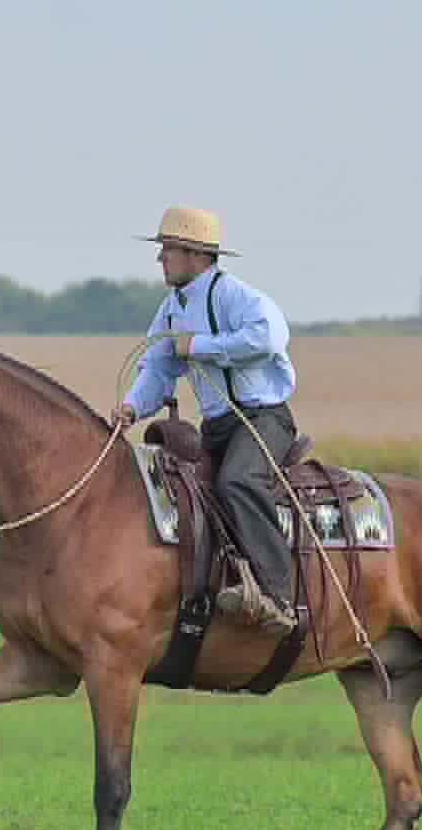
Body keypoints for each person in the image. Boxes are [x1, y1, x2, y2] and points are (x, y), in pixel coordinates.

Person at [115, 206, 300, 635]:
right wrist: (132, 407)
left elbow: (268, 337)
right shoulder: (171, 308)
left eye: (168, 249)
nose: (160, 258)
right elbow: (157, 367)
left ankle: (279, 597)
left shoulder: (234, 295)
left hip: (260, 418)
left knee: (238, 481)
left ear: (197, 255)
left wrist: (198, 345)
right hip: (218, 426)